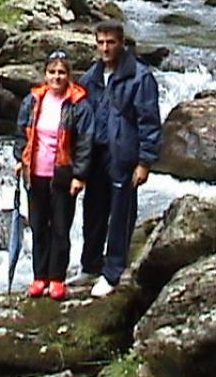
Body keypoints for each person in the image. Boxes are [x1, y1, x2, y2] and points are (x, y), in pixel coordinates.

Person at [79, 20, 162, 298]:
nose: (105, 48)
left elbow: (149, 122)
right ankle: (90, 264)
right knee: (93, 211)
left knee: (121, 216)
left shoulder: (140, 77)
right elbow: (80, 117)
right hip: (96, 154)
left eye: (110, 42)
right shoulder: (91, 77)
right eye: (100, 42)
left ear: (121, 43)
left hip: (124, 156)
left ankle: (113, 272)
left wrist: (145, 161)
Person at [13, 50, 94, 300]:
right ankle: (39, 276)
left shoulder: (78, 105)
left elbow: (84, 143)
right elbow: (21, 132)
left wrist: (79, 176)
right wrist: (19, 159)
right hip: (35, 173)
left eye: (61, 72)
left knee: (60, 228)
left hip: (62, 175)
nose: (56, 77)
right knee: (38, 226)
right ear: (45, 74)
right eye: (52, 72)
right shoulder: (33, 101)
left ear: (69, 76)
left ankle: (57, 278)